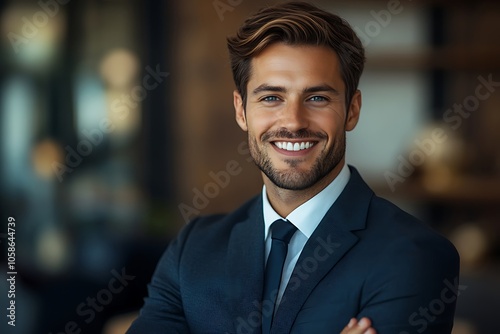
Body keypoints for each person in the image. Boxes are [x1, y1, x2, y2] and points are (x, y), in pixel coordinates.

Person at [127, 2, 459, 333]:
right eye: (271, 97)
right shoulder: (193, 248)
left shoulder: (415, 255)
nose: (293, 122)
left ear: (352, 110)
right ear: (241, 111)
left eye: (317, 98)